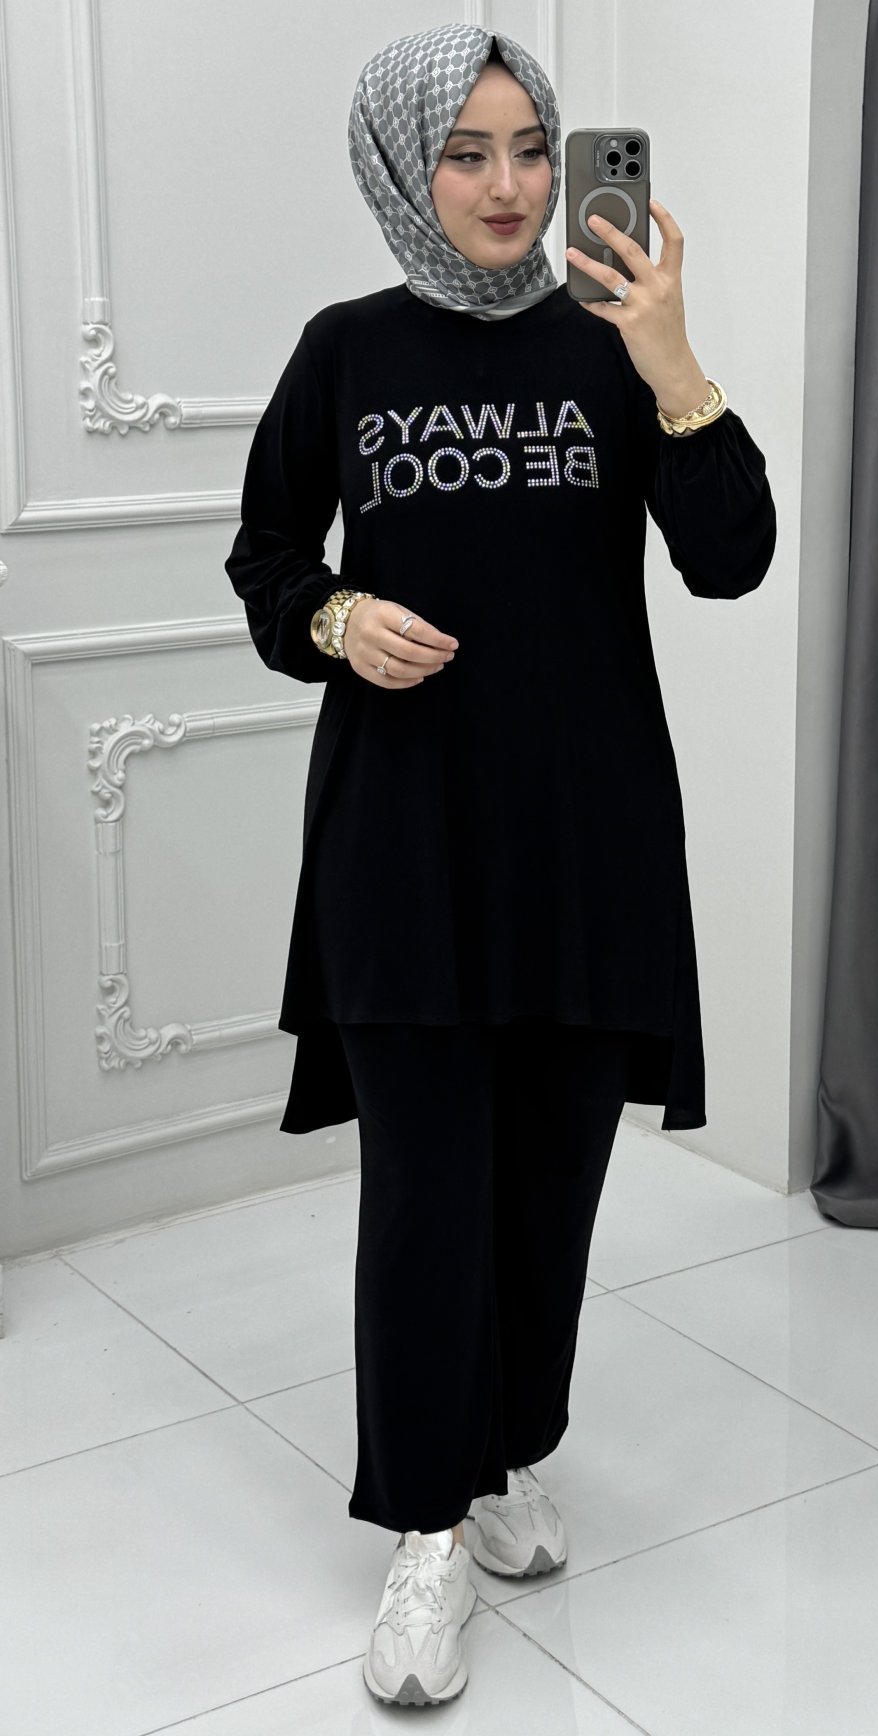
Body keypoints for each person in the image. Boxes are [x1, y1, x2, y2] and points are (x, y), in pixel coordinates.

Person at [224, 21, 776, 1710]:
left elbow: (734, 558)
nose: (510, 184)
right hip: (403, 840)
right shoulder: (346, 351)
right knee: (425, 1199)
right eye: (465, 152)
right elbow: (265, 560)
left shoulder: (616, 345)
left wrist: (673, 359)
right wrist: (334, 618)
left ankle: (509, 1452)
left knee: (550, 1191)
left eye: (532, 146)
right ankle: (423, 1530)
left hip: (587, 841)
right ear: (405, 165)